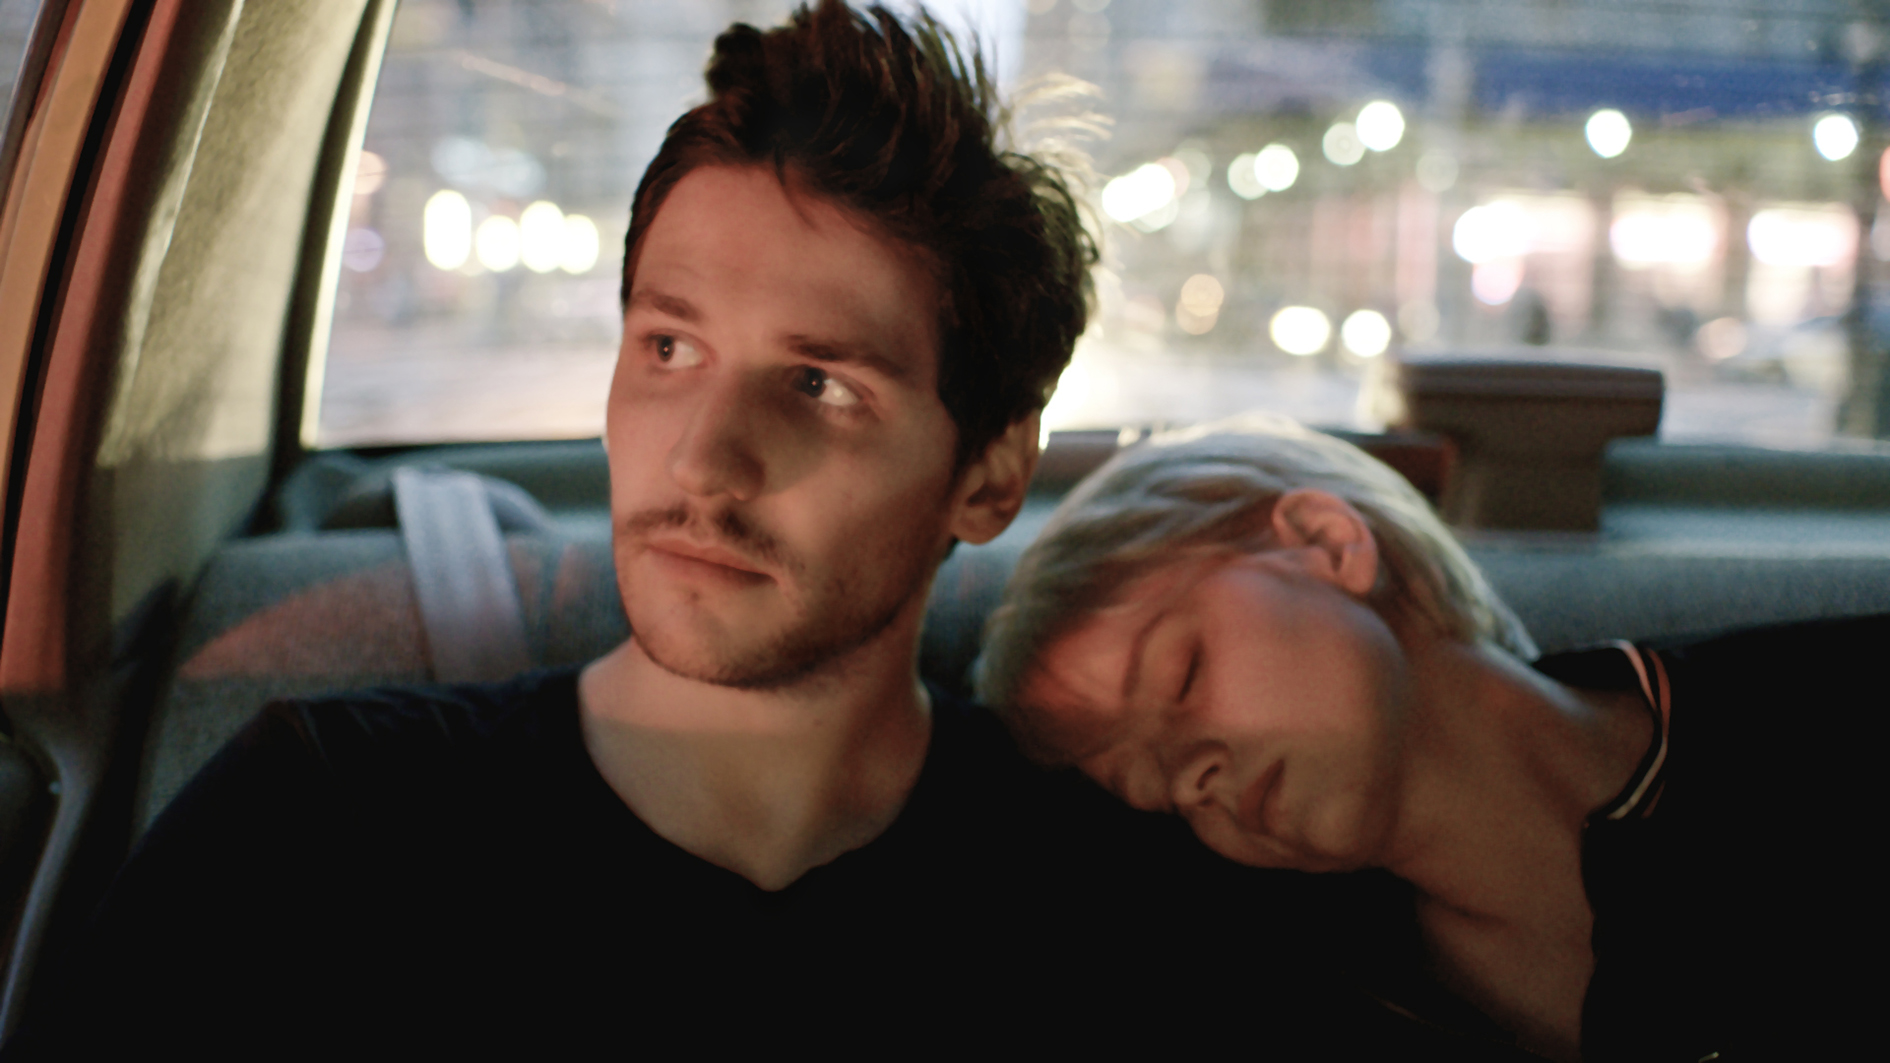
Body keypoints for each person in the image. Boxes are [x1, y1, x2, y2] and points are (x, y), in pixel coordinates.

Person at [2, 3, 1294, 1053]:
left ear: (990, 474)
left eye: (819, 384)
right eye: (669, 347)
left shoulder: (1113, 901)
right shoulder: (313, 831)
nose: (701, 458)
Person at [977, 413, 1880, 1062]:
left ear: (1330, 542)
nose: (1191, 779)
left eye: (1182, 672)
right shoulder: (1299, 995)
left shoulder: (1832, 715)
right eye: (1149, 788)